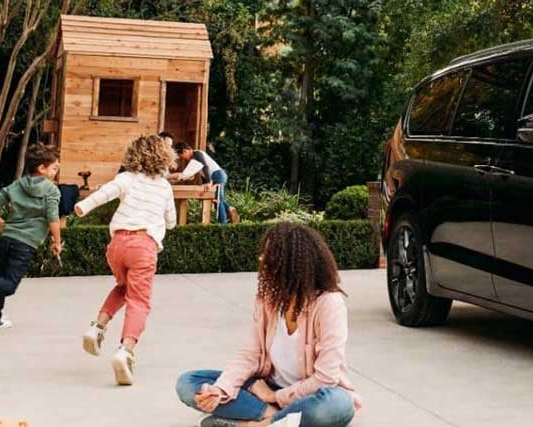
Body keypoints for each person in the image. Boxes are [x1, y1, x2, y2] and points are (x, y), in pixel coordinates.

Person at [175, 223, 361, 427]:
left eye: (270, 255)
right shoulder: (269, 300)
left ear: (292, 265)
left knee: (338, 405)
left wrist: (274, 396)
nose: (261, 259)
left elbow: (326, 378)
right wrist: (219, 390)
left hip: (312, 395)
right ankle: (277, 419)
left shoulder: (329, 304)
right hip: (265, 389)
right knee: (188, 383)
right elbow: (250, 354)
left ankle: (257, 424)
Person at [73, 134, 178, 386]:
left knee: (123, 287)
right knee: (139, 301)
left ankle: (97, 327)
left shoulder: (126, 179)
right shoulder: (164, 187)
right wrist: (163, 221)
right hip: (143, 246)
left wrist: (82, 208)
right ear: (164, 157)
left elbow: (103, 194)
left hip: (117, 245)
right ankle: (126, 351)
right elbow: (171, 221)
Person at [0, 144, 63, 331]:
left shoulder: (18, 184)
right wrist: (56, 242)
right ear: (42, 168)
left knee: (3, 277)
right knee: (10, 285)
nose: (56, 171)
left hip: (7, 238)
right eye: (54, 167)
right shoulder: (51, 191)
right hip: (25, 243)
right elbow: (53, 218)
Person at [167, 135, 233, 223]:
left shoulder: (197, 154)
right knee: (216, 198)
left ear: (185, 151)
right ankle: (230, 209)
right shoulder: (194, 159)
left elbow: (205, 166)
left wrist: (209, 182)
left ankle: (223, 225)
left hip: (217, 175)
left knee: (218, 200)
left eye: (181, 155)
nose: (183, 159)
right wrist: (178, 179)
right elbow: (192, 174)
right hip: (215, 176)